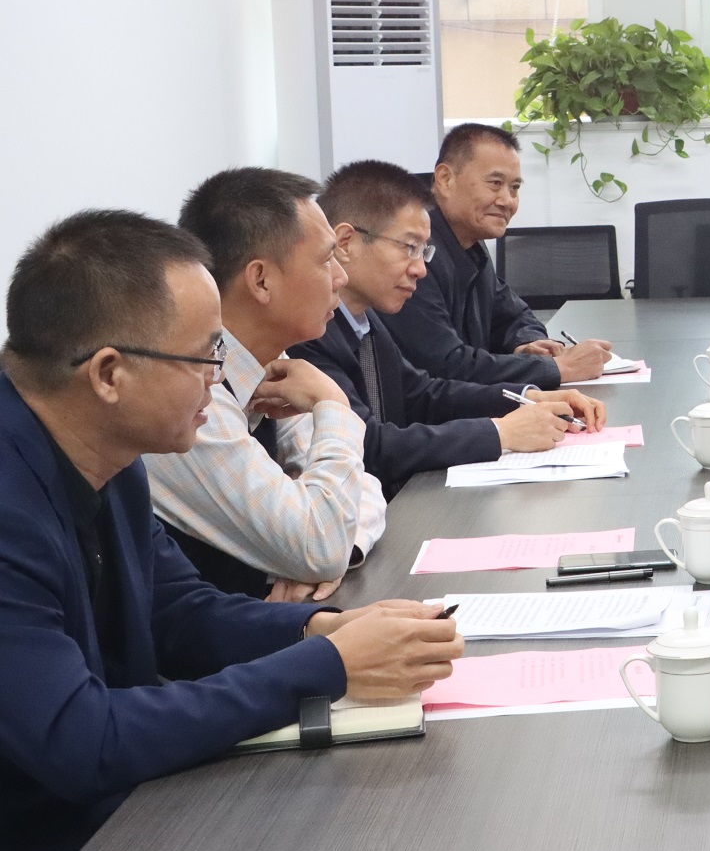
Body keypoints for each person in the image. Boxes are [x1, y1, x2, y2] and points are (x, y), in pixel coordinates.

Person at [0, 209, 462, 851]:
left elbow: (179, 611)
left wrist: (321, 627)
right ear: (110, 373)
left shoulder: (112, 454)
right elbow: (82, 740)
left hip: (118, 826)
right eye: (204, 356)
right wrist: (329, 666)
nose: (220, 379)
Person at [292, 161, 607, 498]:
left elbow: (423, 394)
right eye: (409, 247)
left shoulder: (366, 320)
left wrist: (528, 398)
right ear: (345, 243)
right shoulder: (307, 334)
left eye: (423, 252)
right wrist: (500, 433)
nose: (420, 269)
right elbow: (368, 444)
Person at [145, 169, 386, 603]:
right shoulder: (192, 396)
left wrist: (336, 548)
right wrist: (333, 405)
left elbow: (360, 490)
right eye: (325, 260)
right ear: (260, 280)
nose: (341, 277)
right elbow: (318, 542)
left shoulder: (271, 363)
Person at [379, 124, 614, 388]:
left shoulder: (470, 245)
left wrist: (526, 343)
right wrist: (558, 368)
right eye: (495, 184)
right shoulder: (415, 255)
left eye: (514, 188)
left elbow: (514, 315)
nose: (507, 201)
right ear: (445, 179)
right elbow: (446, 365)